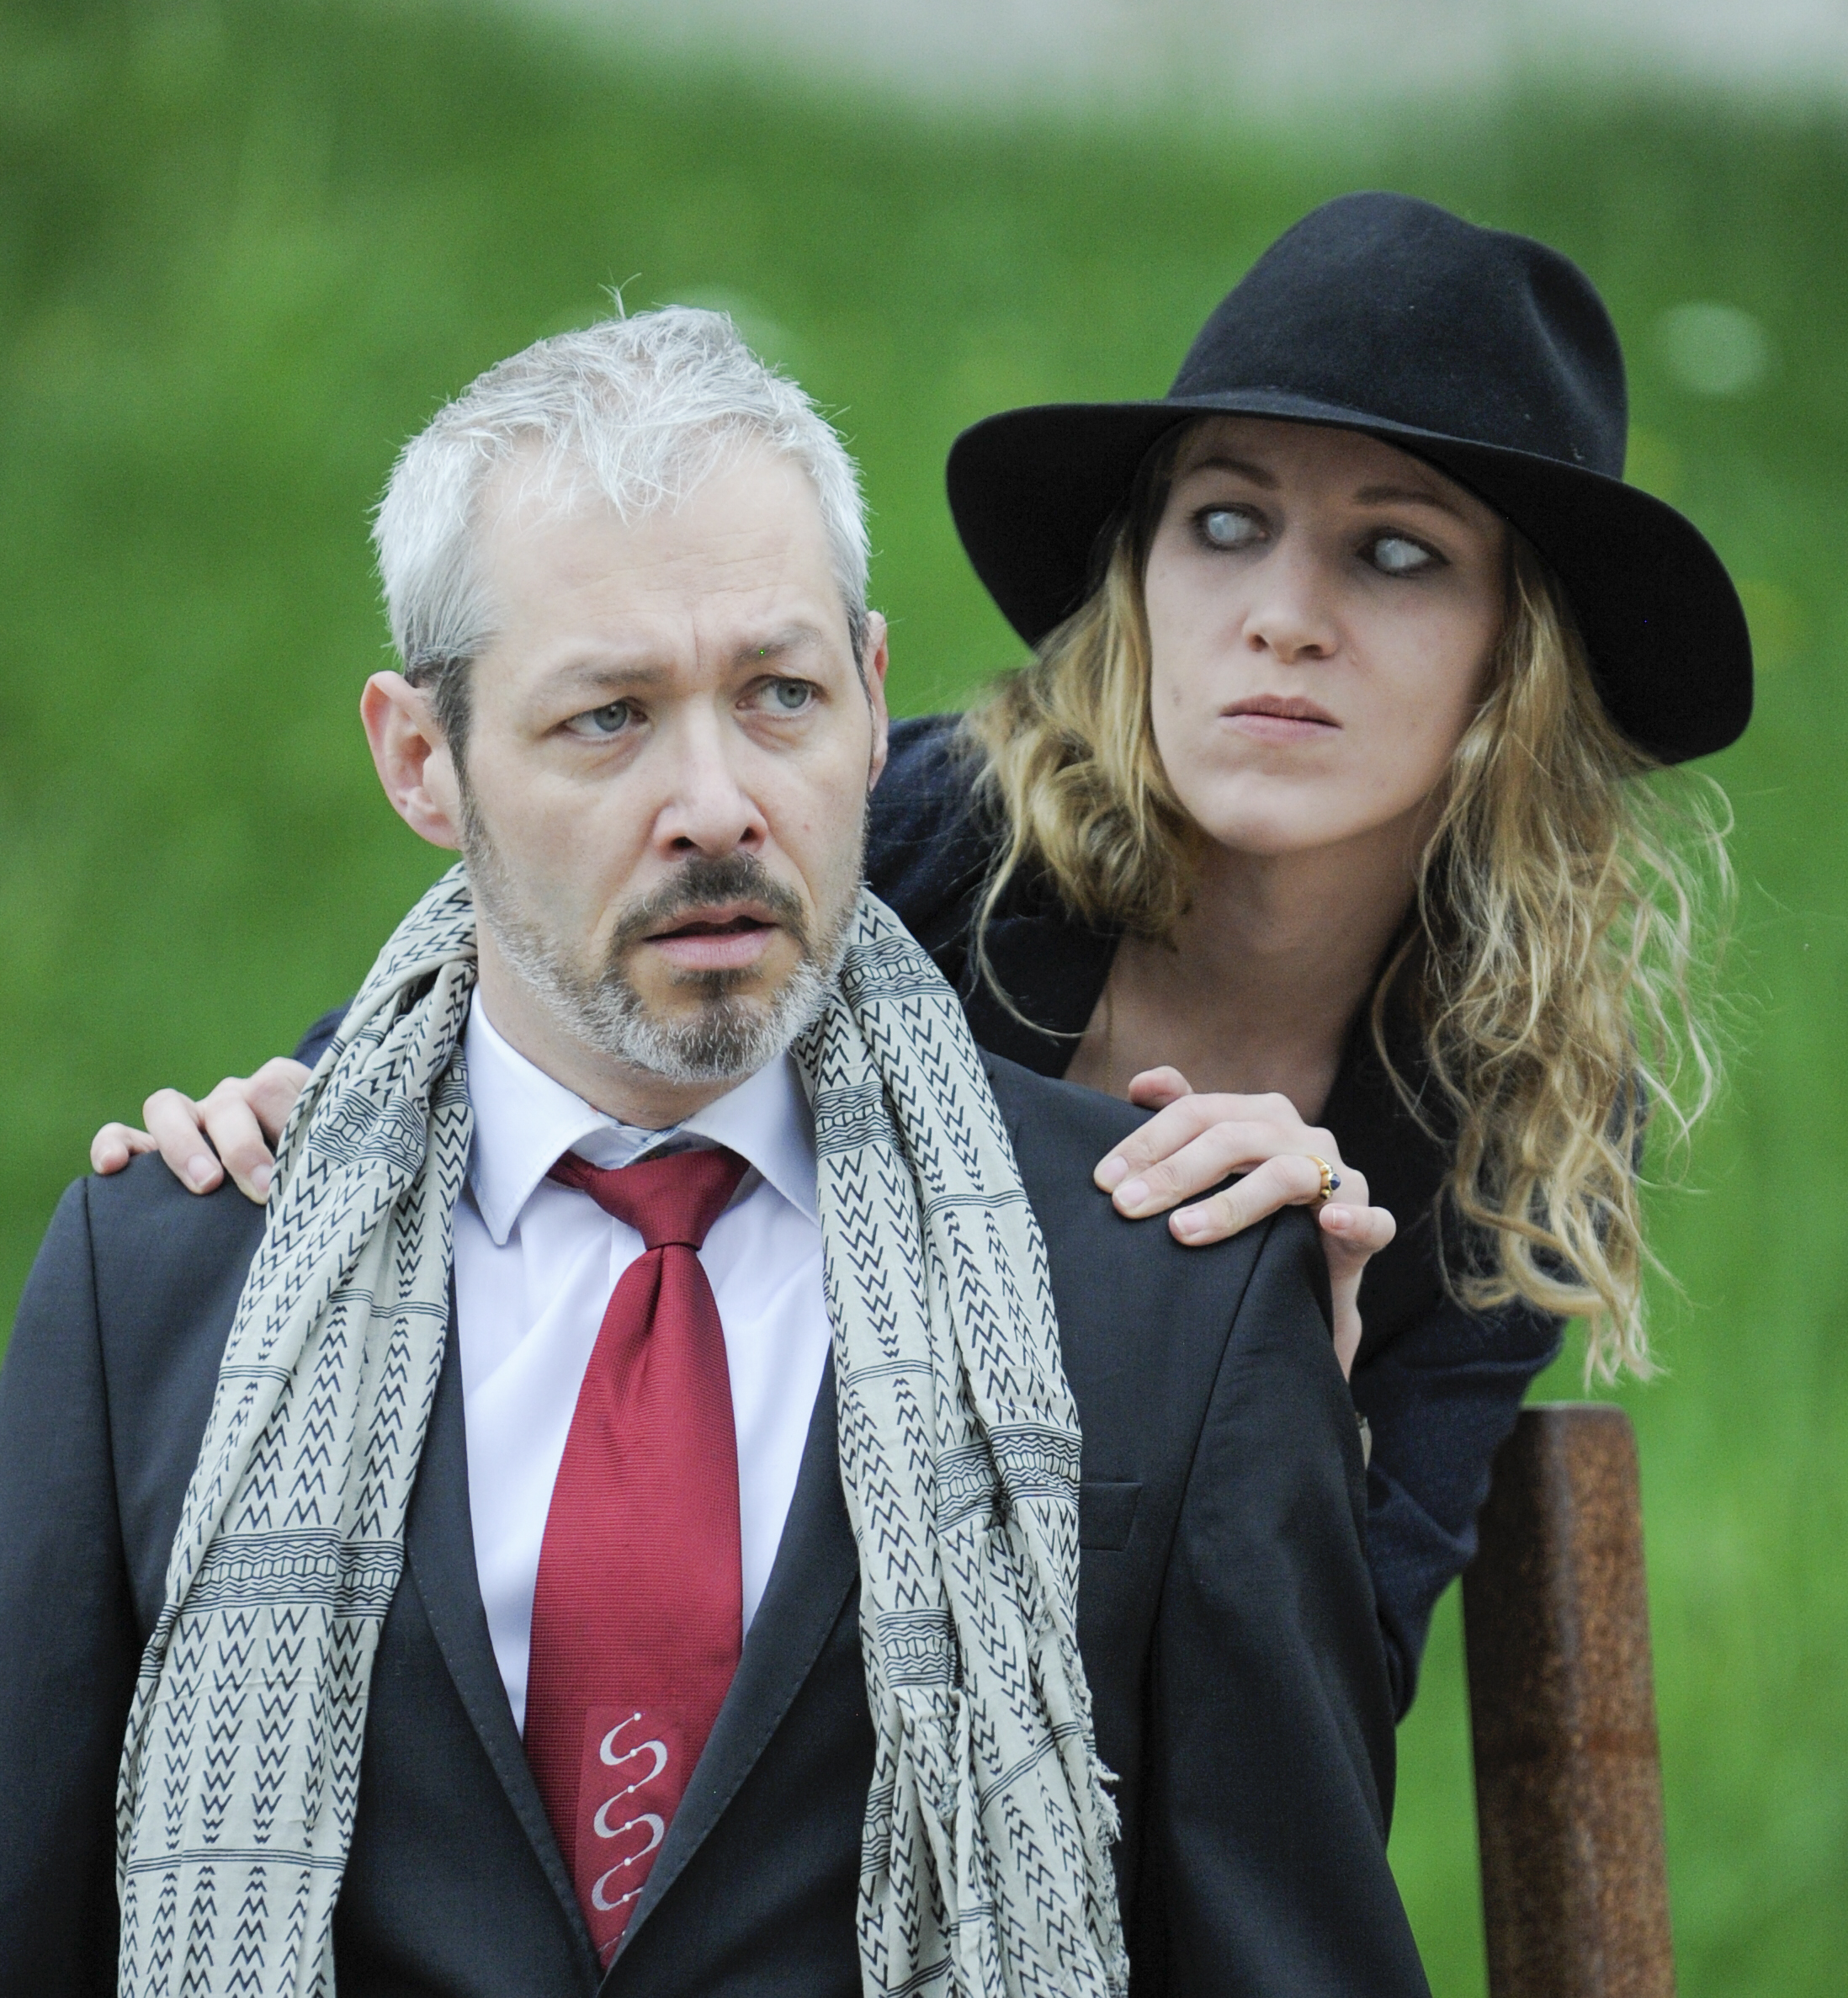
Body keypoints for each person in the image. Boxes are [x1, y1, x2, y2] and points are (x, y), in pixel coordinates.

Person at [98, 193, 1748, 1715]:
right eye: (1226, 521)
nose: (1284, 614)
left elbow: (1326, 1726)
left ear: (1518, 656)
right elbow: (546, 981)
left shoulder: (1520, 1102)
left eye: (1396, 552)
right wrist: (310, 1109)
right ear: (1141, 571)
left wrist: (1284, 1401)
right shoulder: (941, 832)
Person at [0, 310, 1428, 1996]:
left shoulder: (1174, 1283)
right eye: (609, 716)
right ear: (421, 760)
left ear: (873, 699)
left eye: (779, 697)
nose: (717, 802)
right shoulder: (168, 1278)